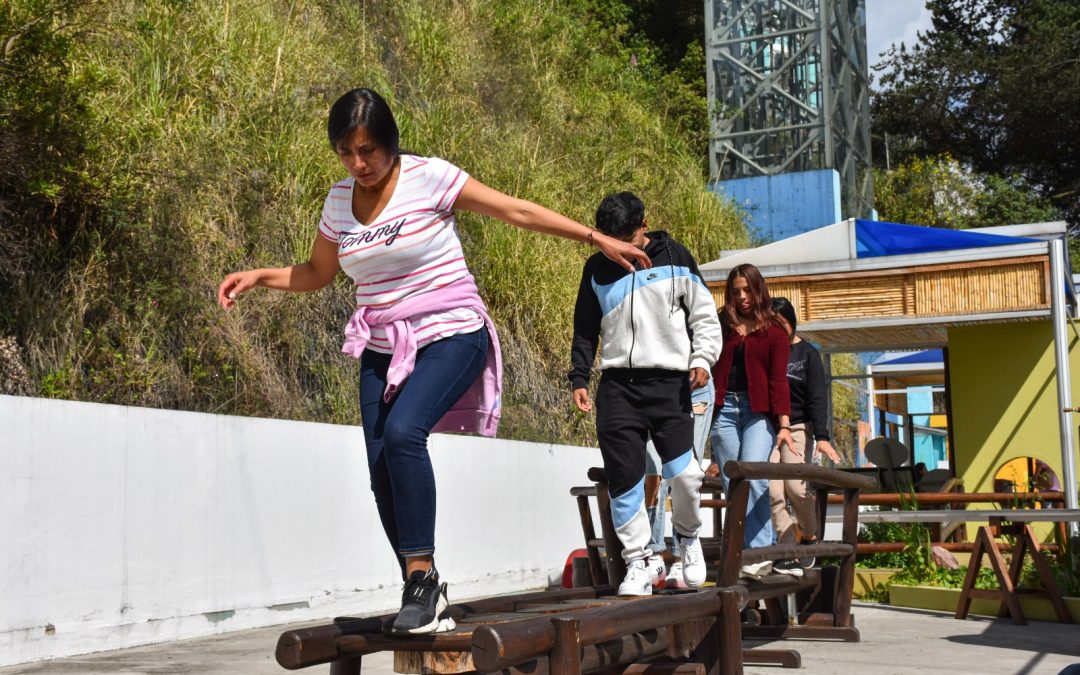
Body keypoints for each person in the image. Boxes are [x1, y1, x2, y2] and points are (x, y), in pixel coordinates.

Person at [217, 88, 649, 635]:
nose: (359, 164)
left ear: (390, 142)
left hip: (452, 330)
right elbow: (317, 273)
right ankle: (422, 587)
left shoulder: (429, 177)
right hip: (383, 344)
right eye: (347, 153)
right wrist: (261, 276)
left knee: (402, 434)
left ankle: (420, 583)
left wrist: (596, 238)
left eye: (369, 150)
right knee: (380, 472)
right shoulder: (337, 200)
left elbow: (514, 210)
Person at [569, 191, 723, 596]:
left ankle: (687, 539)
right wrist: (579, 377)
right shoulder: (596, 268)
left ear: (643, 225)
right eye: (610, 235)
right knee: (625, 481)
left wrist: (703, 359)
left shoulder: (676, 257)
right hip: (618, 386)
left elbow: (705, 315)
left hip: (670, 384)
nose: (618, 242)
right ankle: (640, 560)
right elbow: (585, 326)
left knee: (685, 476)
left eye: (625, 235)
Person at [707, 263, 792, 580]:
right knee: (734, 484)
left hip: (758, 413)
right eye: (735, 291)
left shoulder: (774, 332)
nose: (742, 296)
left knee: (754, 475)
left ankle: (759, 554)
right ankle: (743, 552)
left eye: (747, 289)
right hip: (724, 410)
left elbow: (778, 381)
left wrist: (783, 424)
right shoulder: (722, 325)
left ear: (759, 289)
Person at [768, 296, 842, 576]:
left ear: (791, 321)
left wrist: (822, 435)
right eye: (771, 324)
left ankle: (809, 535)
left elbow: (818, 398)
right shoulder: (768, 352)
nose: (777, 329)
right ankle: (787, 549)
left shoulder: (808, 354)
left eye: (781, 323)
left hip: (799, 427)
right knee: (772, 490)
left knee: (797, 488)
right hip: (771, 428)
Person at [644, 377, 715, 589]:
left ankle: (680, 556)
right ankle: (654, 555)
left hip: (695, 386)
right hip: (655, 384)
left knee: (684, 473)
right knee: (653, 473)